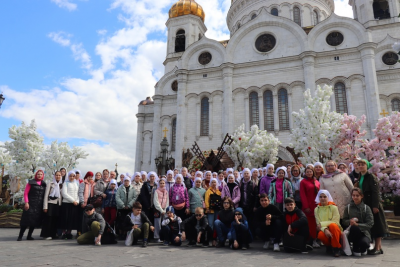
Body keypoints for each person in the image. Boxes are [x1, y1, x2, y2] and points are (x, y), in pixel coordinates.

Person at [355, 159, 389, 255]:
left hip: (372, 204)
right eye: (359, 165)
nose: (361, 166)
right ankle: (379, 247)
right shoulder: (360, 176)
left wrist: (375, 206)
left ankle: (377, 247)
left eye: (363, 165)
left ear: (367, 166)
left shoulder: (371, 177)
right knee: (371, 225)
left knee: (377, 225)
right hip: (365, 204)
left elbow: (375, 192)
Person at [342, 188, 374, 256]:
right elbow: (344, 221)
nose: (355, 197)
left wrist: (358, 225)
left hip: (364, 233)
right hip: (352, 233)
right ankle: (355, 248)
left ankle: (363, 247)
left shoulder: (366, 208)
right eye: (353, 195)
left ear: (361, 196)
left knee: (364, 244)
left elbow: (370, 224)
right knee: (354, 228)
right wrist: (349, 222)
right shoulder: (347, 208)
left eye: (357, 195)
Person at [18, 169, 47, 241]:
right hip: (30, 204)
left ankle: (29, 236)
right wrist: (26, 202)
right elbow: (25, 193)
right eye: (38, 174)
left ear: (43, 175)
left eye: (41, 174)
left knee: (34, 221)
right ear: (36, 175)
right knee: (26, 221)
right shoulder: (31, 183)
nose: (39, 175)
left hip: (39, 205)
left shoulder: (44, 184)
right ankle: (20, 236)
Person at [314, 190, 343, 257]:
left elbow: (335, 221)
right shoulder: (316, 209)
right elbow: (318, 224)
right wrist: (325, 229)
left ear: (328, 197)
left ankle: (336, 248)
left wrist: (322, 224)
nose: (322, 198)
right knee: (320, 235)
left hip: (335, 229)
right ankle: (329, 246)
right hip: (324, 229)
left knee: (333, 226)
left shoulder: (334, 207)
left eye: (324, 197)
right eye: (320, 197)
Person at [300, 165, 320, 248]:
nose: (309, 173)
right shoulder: (303, 182)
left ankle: (315, 239)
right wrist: (306, 206)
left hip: (317, 206)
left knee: (316, 223)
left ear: (313, 172)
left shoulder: (317, 181)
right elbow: (302, 195)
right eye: (307, 172)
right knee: (310, 224)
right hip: (308, 206)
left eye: (310, 171)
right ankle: (310, 240)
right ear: (305, 173)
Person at [41, 171, 63, 240]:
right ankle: (46, 234)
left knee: (55, 220)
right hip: (50, 203)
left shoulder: (61, 185)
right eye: (57, 175)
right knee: (48, 220)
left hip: (57, 204)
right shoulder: (50, 184)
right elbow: (46, 196)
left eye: (59, 175)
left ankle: (53, 234)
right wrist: (45, 206)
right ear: (54, 176)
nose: (58, 176)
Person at [61, 171, 80, 239]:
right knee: (65, 218)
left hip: (74, 204)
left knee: (71, 219)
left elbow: (78, 193)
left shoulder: (77, 184)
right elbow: (64, 194)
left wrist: (77, 201)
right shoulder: (65, 183)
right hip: (66, 203)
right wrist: (72, 201)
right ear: (68, 176)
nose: (72, 177)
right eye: (70, 176)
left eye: (73, 176)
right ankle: (64, 233)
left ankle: (69, 232)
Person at [77, 171, 95, 237]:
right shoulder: (83, 183)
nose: (90, 178)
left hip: (90, 202)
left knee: (88, 218)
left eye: (91, 177)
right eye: (89, 176)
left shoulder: (92, 184)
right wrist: (82, 202)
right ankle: (79, 231)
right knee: (82, 218)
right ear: (86, 177)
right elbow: (80, 193)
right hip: (84, 202)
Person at [238, 168, 256, 234]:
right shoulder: (240, 184)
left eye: (247, 173)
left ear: (250, 174)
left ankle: (251, 234)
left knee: (250, 220)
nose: (246, 175)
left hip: (250, 205)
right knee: (243, 220)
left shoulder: (253, 184)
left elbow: (256, 195)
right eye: (245, 173)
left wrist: (255, 206)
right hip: (242, 205)